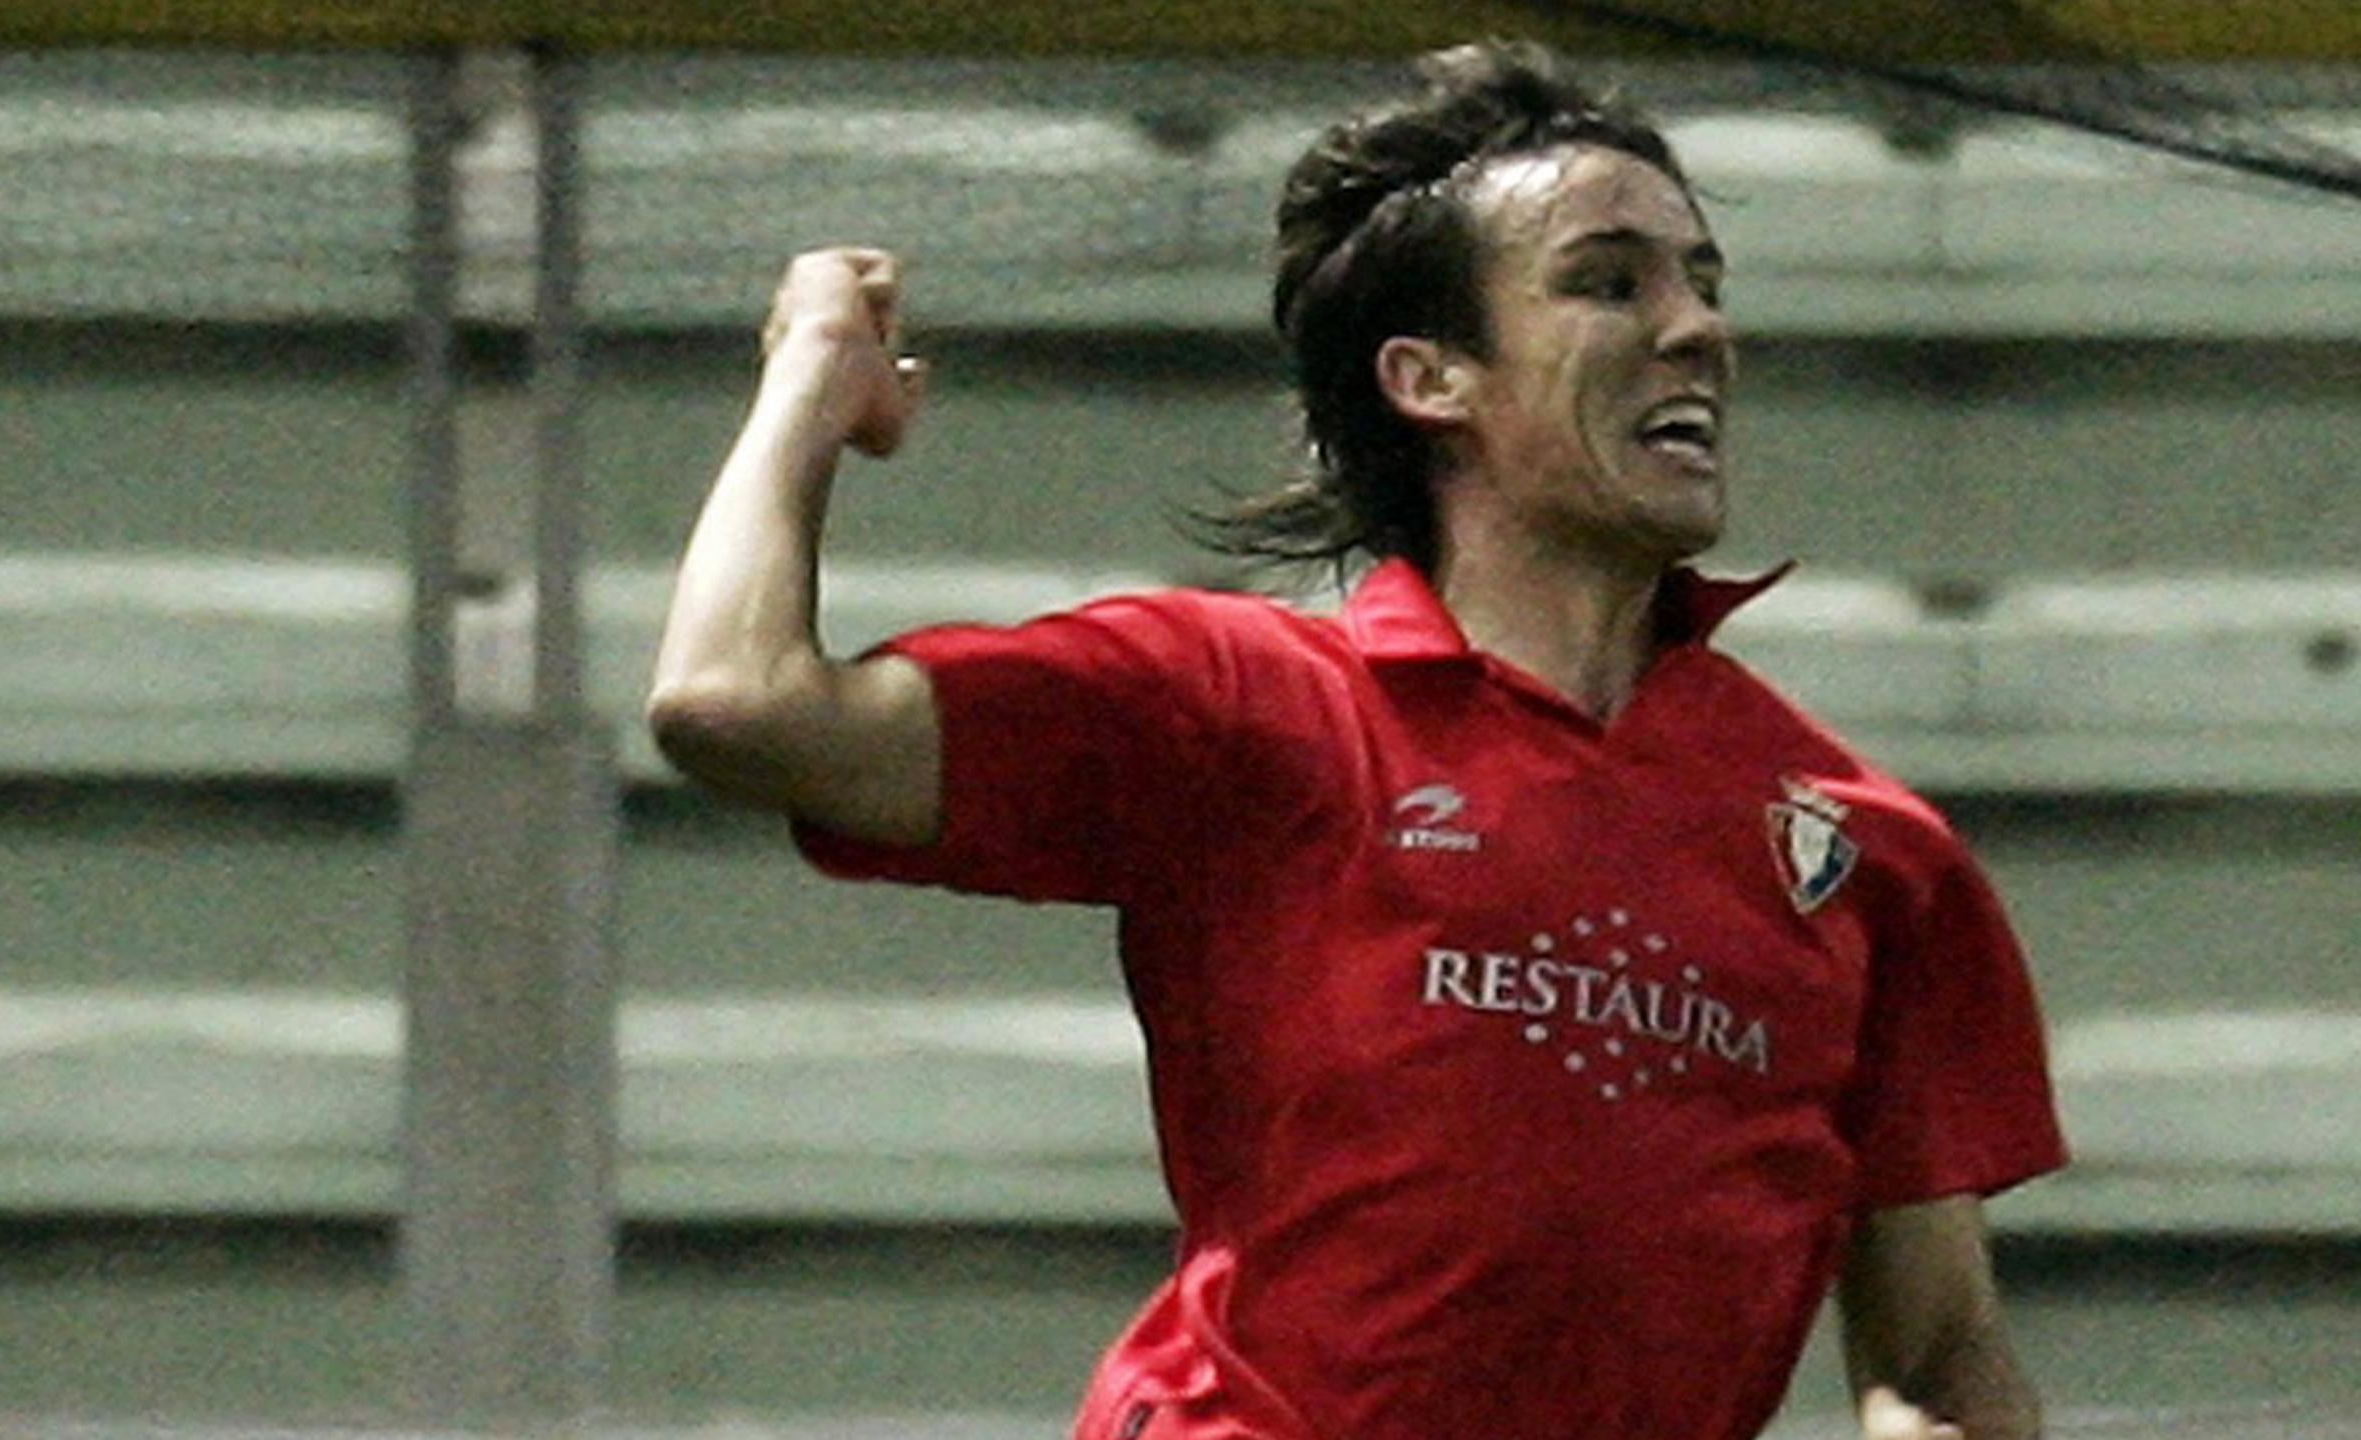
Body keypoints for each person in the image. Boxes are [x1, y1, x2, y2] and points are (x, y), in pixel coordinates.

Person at [650, 38, 2066, 1440]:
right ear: (1430, 378)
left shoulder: (1864, 848)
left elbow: (1939, 1353)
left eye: (1704, 282)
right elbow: (736, 699)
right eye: (1609, 282)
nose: (1696, 328)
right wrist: (812, 382)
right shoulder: (1239, 706)